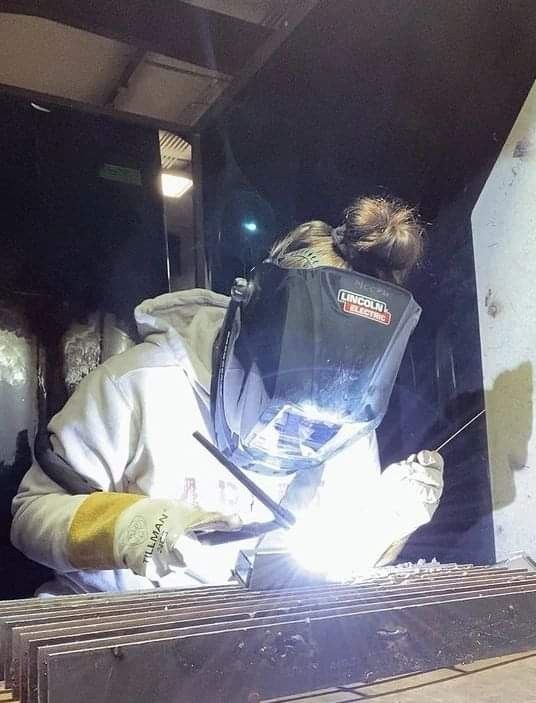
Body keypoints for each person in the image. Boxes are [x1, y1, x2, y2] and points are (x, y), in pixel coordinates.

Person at [11, 195, 444, 596]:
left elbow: (332, 571)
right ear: (245, 333)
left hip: (236, 648)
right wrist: (129, 527)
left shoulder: (345, 425)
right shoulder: (141, 384)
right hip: (105, 636)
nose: (302, 432)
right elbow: (31, 518)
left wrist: (383, 523)